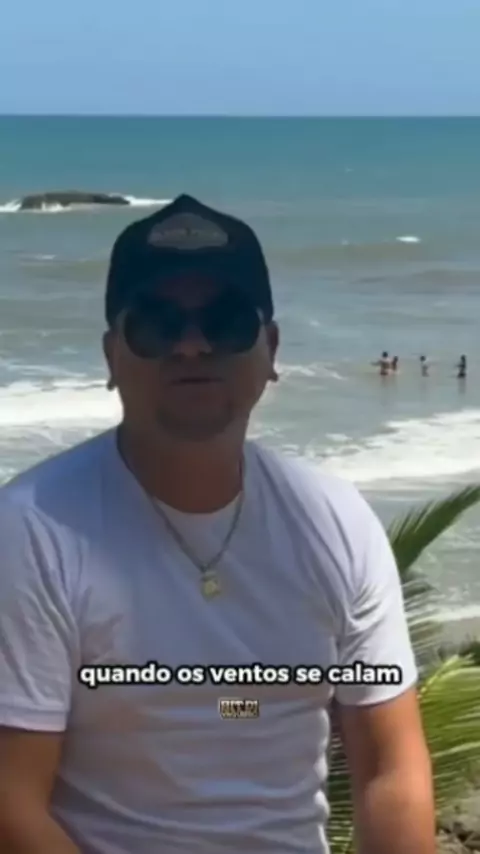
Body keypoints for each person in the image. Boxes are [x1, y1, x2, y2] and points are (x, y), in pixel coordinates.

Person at [0, 194, 435, 854]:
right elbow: (11, 804)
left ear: (271, 349)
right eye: (156, 325)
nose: (192, 345)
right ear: (112, 357)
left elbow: (391, 769)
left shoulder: (335, 523)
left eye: (226, 322)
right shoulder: (32, 531)